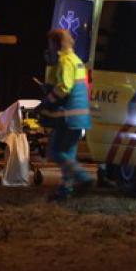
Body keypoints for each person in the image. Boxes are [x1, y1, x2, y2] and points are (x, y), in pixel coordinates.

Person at [39, 29, 93, 201]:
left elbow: (64, 87)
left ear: (56, 44)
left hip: (68, 116)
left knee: (56, 152)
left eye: (50, 43)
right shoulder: (77, 60)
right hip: (80, 116)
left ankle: (83, 178)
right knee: (68, 156)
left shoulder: (65, 61)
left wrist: (47, 100)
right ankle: (65, 190)